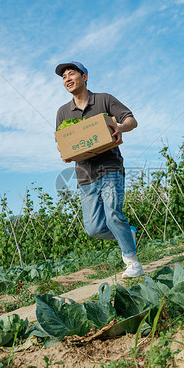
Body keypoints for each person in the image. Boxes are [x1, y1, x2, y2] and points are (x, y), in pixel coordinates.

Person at [54, 61, 144, 278]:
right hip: (85, 174)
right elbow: (62, 142)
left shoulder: (104, 99)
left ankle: (132, 262)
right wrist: (66, 153)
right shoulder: (63, 112)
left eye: (71, 73)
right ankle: (128, 233)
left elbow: (131, 120)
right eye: (63, 76)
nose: (67, 78)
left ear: (84, 77)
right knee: (93, 228)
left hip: (110, 167)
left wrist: (120, 127)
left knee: (113, 214)